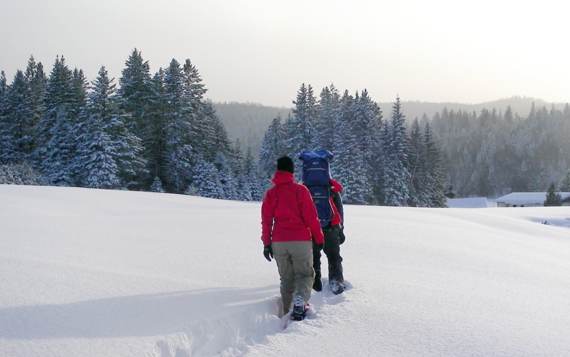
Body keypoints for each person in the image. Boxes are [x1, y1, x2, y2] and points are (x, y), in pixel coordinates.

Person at [261, 156, 325, 320]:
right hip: (300, 240)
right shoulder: (300, 191)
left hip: (279, 242)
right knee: (305, 275)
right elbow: (311, 217)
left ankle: (286, 314)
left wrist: (267, 244)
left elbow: (267, 221)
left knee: (286, 279)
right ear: (291, 171)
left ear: (278, 171)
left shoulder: (271, 194)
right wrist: (318, 237)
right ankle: (300, 301)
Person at [312, 178, 346, 294]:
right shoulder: (331, 187)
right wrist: (341, 229)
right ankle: (336, 282)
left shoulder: (305, 186)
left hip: (312, 227)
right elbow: (339, 209)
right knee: (334, 256)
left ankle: (315, 283)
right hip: (331, 226)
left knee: (314, 255)